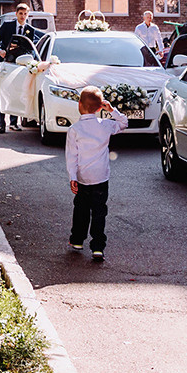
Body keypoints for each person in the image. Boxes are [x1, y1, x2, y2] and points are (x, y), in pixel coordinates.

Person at [65, 86, 127, 262]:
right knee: (99, 211)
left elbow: (72, 156)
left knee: (81, 209)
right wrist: (112, 110)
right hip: (101, 177)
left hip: (83, 177)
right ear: (100, 107)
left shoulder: (74, 130)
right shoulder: (106, 125)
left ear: (79, 104)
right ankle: (98, 246)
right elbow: (124, 123)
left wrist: (73, 177)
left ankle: (77, 240)